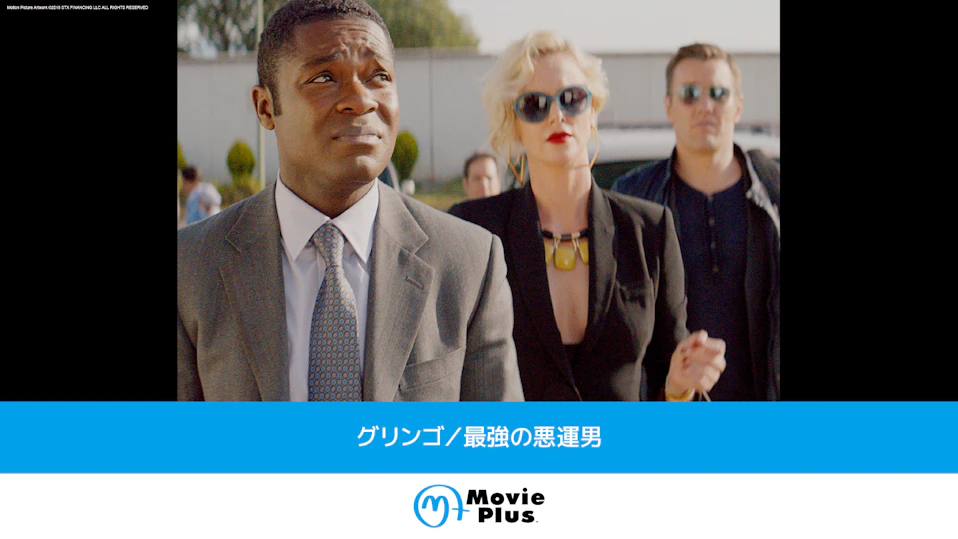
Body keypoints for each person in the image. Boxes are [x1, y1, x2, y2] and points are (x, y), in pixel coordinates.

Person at [177, 0, 523, 402]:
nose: (360, 99)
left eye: (379, 76)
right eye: (325, 77)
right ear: (266, 107)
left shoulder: (469, 263)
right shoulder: (191, 268)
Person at [450, 31, 726, 401]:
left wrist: (680, 387)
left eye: (572, 98)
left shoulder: (650, 230)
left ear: (592, 109)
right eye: (534, 104)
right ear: (513, 122)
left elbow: (671, 384)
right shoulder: (474, 230)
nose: (556, 115)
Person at [610, 43, 780, 400]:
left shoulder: (775, 195)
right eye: (689, 94)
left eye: (718, 93)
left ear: (738, 106)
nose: (705, 106)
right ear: (669, 106)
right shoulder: (632, 199)